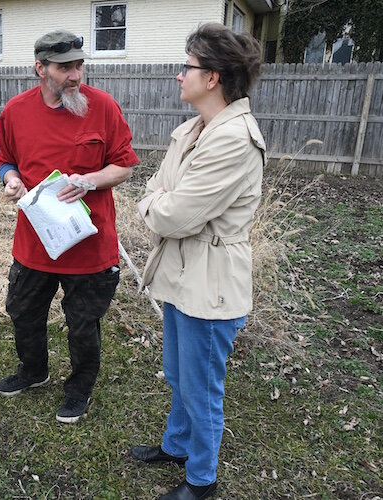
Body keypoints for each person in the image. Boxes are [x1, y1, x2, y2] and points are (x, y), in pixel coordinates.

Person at [130, 23, 266, 499]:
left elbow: (173, 213)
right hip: (181, 275)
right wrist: (160, 203)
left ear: (212, 78)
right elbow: (160, 191)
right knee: (178, 375)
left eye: (186, 66)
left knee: (202, 387)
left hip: (211, 284)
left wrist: (157, 205)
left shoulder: (233, 139)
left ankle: (201, 481)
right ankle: (177, 445)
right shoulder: (193, 129)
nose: (178, 75)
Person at [0, 29, 139, 424]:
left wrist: (90, 180)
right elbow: (6, 159)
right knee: (23, 312)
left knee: (82, 324)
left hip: (89, 247)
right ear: (40, 68)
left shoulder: (103, 107)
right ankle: (33, 371)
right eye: (64, 68)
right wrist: (10, 179)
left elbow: (124, 164)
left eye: (79, 66)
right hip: (35, 242)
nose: (75, 75)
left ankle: (78, 390)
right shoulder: (16, 111)